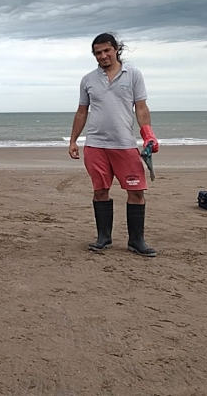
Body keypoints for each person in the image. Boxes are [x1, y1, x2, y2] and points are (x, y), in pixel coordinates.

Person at [68, 33, 159, 257]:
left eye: (107, 51)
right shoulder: (88, 80)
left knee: (136, 191)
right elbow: (82, 112)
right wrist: (73, 140)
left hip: (124, 144)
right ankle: (103, 237)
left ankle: (136, 241)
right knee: (100, 191)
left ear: (116, 49)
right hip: (96, 145)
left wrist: (148, 134)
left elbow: (141, 107)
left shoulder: (133, 75)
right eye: (98, 53)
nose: (103, 56)